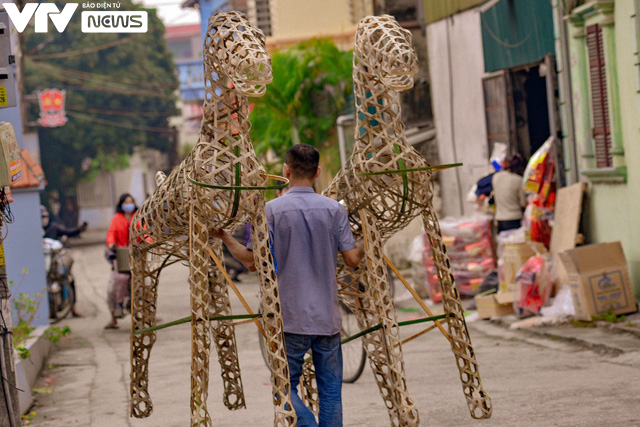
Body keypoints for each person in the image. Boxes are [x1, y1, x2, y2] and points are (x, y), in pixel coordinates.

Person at [212, 144, 364, 426]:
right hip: (328, 319)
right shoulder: (334, 211)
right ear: (317, 172)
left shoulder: (269, 211)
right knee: (331, 393)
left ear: (286, 171)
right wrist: (369, 236)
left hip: (289, 318)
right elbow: (353, 259)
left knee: (284, 388)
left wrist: (224, 237)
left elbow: (251, 262)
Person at [40, 205, 87, 318]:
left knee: (69, 279)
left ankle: (73, 308)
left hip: (55, 261)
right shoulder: (36, 231)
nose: (43, 219)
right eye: (41, 217)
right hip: (42, 263)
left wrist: (79, 229)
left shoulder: (54, 228)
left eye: (45, 216)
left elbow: (69, 232)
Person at [104, 193, 138, 329]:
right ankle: (115, 313)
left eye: (131, 202)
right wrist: (111, 244)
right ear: (121, 204)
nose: (128, 205)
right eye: (126, 202)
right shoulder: (116, 218)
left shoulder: (139, 216)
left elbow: (146, 232)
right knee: (115, 285)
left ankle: (143, 317)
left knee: (142, 286)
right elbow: (111, 233)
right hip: (121, 255)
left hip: (137, 255)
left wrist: (147, 242)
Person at [492, 153, 527, 234]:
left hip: (500, 219)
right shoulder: (518, 180)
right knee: (514, 245)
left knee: (503, 244)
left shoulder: (496, 177)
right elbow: (523, 203)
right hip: (514, 219)